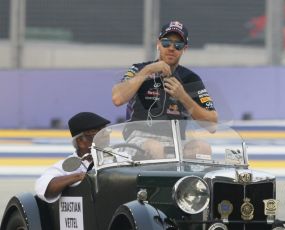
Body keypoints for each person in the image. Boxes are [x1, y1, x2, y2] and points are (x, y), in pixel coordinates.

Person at [111, 21, 218, 157]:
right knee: (155, 147)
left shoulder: (191, 78)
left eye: (178, 45)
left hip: (177, 140)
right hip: (139, 138)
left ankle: (190, 179)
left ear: (184, 49)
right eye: (166, 43)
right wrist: (148, 70)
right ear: (158, 44)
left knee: (203, 148)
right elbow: (117, 98)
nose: (171, 48)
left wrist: (183, 97)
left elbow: (213, 125)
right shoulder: (139, 69)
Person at [35, 112, 110, 203]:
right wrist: (79, 177)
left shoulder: (119, 157)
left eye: (105, 131)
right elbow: (44, 188)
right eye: (97, 133)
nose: (105, 136)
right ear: (80, 141)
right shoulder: (67, 166)